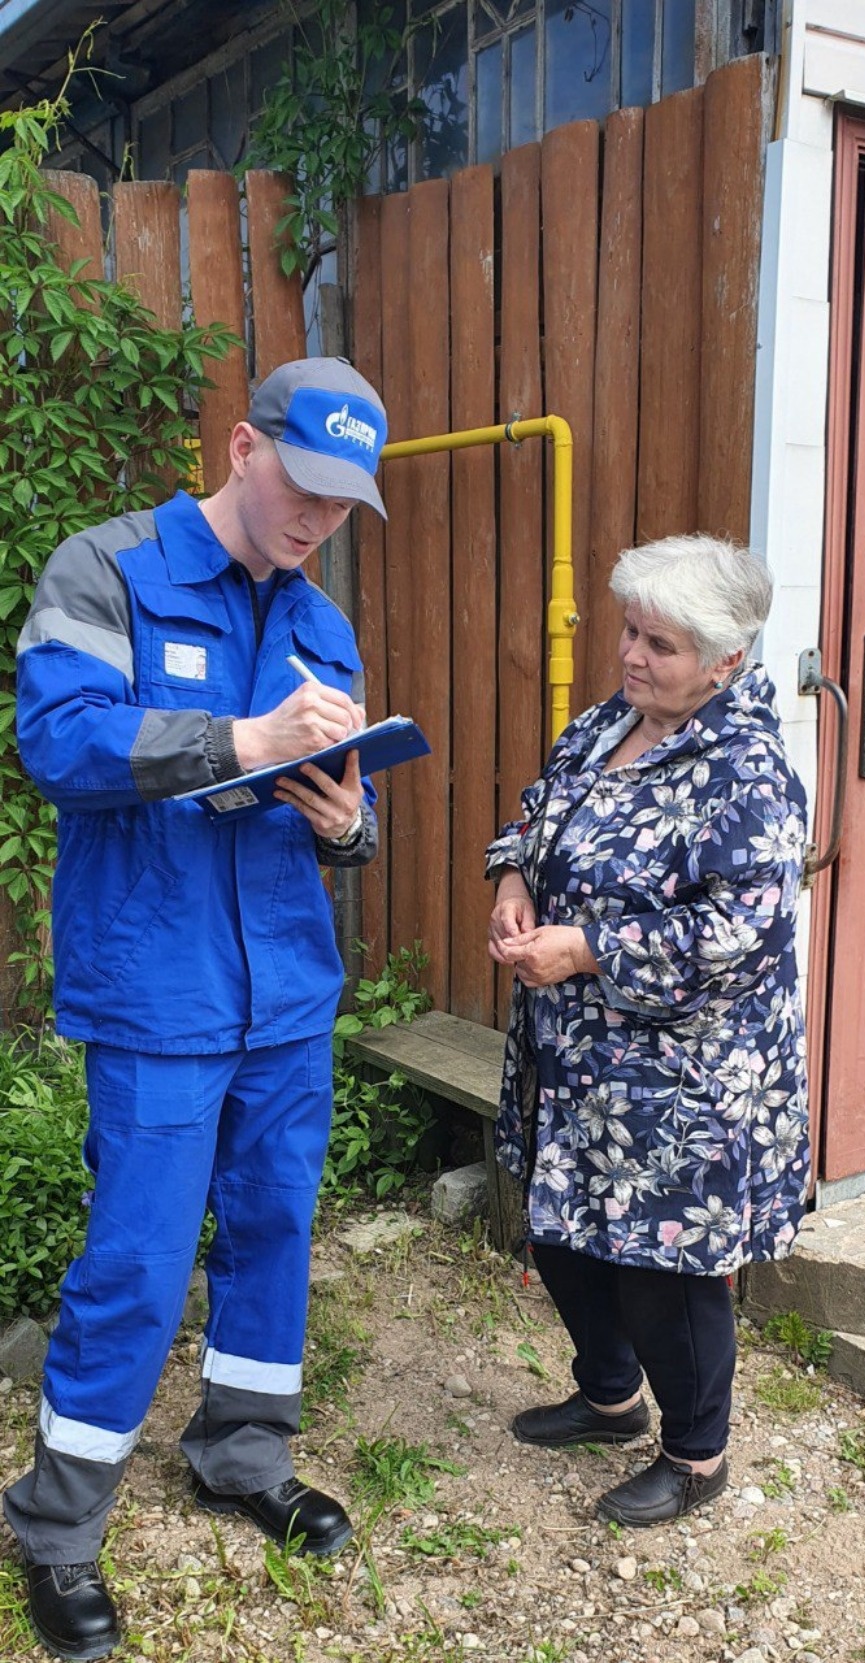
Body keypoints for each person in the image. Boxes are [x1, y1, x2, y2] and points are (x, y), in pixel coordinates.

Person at [4, 357, 388, 1660]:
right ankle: (58, 1526)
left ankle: (240, 1451)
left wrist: (349, 819)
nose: (319, 519)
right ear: (242, 444)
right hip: (158, 986)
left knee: (276, 1227)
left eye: (347, 504)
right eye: (307, 485)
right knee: (140, 1259)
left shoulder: (318, 615)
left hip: (286, 983)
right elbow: (56, 741)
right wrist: (239, 743)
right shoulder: (104, 568)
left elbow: (342, 785)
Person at [486, 533, 810, 1529]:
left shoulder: (746, 770)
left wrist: (585, 949)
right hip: (575, 1058)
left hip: (680, 1078)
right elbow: (538, 815)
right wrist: (512, 879)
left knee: (661, 1271)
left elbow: (736, 931)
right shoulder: (602, 727)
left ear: (727, 661)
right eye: (630, 631)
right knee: (568, 1236)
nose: (630, 655)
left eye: (658, 644)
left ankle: (698, 1453)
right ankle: (610, 1398)